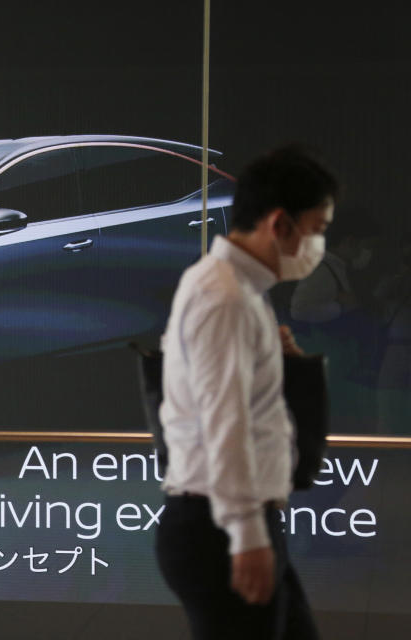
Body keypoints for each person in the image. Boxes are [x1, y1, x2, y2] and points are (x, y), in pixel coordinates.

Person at [155, 146, 337, 639]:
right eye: (316, 230)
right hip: (218, 524)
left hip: (230, 519)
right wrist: (246, 533)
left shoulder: (237, 292)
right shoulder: (226, 297)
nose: (318, 245)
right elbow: (224, 422)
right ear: (279, 224)